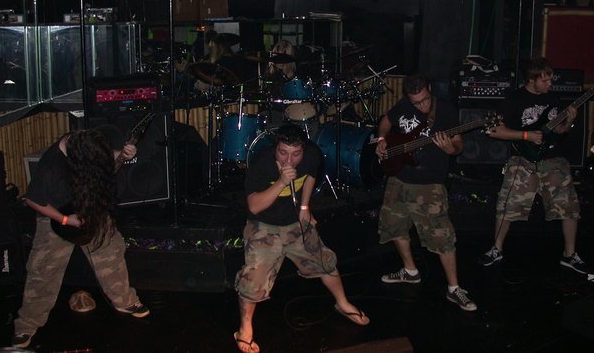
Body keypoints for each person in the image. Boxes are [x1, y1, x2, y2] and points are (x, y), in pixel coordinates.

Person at [234, 124, 369, 353]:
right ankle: (244, 328)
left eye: (296, 154)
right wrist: (281, 182)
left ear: (303, 150)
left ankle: (342, 303)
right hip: (264, 225)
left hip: (295, 223)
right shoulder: (262, 163)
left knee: (324, 261)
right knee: (254, 280)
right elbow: (254, 206)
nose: (289, 159)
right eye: (283, 152)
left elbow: (311, 176)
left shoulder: (312, 154)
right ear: (275, 148)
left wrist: (305, 207)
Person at [12, 129, 149, 349]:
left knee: (111, 254)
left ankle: (125, 301)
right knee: (44, 271)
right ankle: (26, 325)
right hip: (56, 214)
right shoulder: (51, 165)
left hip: (88, 205)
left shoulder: (86, 142)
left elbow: (106, 156)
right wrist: (66, 220)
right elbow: (33, 200)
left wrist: (124, 154)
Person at [375, 74, 477, 312]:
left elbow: (459, 144)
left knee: (442, 237)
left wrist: (450, 148)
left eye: (425, 100)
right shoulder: (404, 105)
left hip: (430, 185)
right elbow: (386, 121)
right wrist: (381, 139)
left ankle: (454, 288)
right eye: (416, 102)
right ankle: (410, 271)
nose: (422, 106)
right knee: (394, 225)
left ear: (430, 89)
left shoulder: (446, 109)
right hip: (398, 179)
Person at [479, 57, 587, 274]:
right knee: (507, 205)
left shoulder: (553, 98)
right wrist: (525, 135)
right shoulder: (514, 99)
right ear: (531, 79)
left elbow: (559, 131)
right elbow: (493, 130)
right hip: (523, 159)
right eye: (545, 80)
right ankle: (496, 249)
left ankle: (570, 254)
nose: (550, 84)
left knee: (569, 206)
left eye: (550, 80)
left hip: (553, 158)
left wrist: (568, 121)